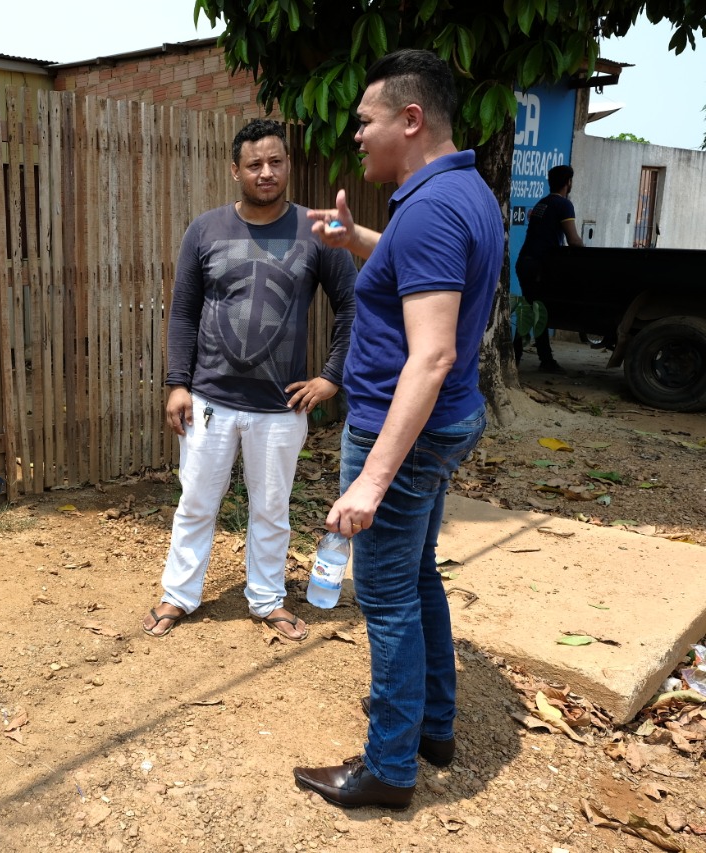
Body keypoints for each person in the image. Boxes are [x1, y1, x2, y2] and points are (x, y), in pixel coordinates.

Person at [294, 49, 502, 809]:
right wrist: (357, 243)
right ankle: (432, 726)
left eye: (366, 121)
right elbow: (419, 271)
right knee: (417, 576)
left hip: (404, 431)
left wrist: (370, 480)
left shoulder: (434, 208)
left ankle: (389, 767)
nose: (356, 137)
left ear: (409, 120)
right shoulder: (458, 193)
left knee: (385, 594)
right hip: (443, 425)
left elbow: (434, 352)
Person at [140, 118, 357, 641]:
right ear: (234, 169)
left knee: (271, 508)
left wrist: (331, 378)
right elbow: (184, 312)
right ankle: (180, 593)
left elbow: (352, 306)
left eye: (276, 162)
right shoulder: (206, 229)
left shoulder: (316, 229)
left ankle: (266, 598)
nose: (266, 172)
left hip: (281, 406)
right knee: (196, 502)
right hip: (210, 399)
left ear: (288, 164)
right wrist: (176, 382)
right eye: (254, 164)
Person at [514, 164, 582, 372]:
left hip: (525, 261)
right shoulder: (563, 205)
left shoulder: (542, 203)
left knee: (534, 309)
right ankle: (518, 357)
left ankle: (543, 358)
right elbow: (573, 240)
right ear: (568, 182)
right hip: (539, 266)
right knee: (534, 311)